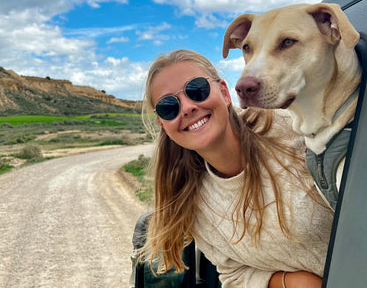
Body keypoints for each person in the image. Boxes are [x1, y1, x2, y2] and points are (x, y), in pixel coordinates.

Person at [140, 49, 334, 288]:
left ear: (223, 92)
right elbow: (233, 273)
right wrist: (289, 282)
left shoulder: (293, 127)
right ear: (163, 124)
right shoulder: (191, 202)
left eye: (196, 90)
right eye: (169, 106)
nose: (188, 107)